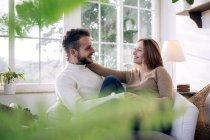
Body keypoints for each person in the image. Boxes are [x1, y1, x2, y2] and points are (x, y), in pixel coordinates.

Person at [87, 38, 174, 135]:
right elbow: (105, 71)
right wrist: (84, 60)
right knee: (111, 80)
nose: (134, 53)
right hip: (133, 115)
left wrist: (140, 99)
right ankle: (98, 119)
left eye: (139, 50)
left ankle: (95, 121)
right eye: (134, 49)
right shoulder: (132, 74)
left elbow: (168, 101)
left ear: (149, 53)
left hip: (155, 120)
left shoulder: (159, 71)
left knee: (114, 105)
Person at [47, 29, 124, 119]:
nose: (93, 50)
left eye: (91, 47)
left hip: (108, 113)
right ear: (73, 52)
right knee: (111, 80)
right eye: (88, 48)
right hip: (89, 119)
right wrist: (116, 97)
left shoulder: (92, 68)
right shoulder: (64, 78)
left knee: (112, 80)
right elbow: (79, 108)